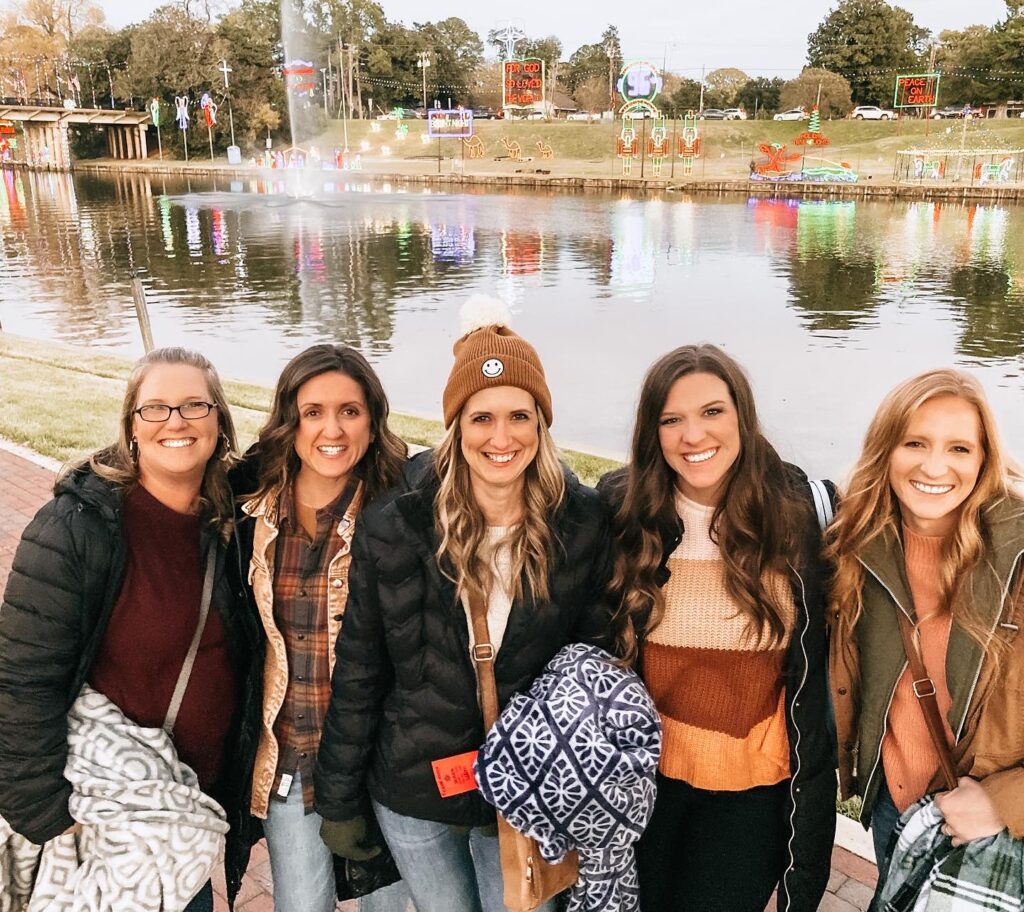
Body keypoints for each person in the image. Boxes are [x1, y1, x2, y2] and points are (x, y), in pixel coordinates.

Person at [313, 309, 614, 912]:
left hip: (526, 790)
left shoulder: (582, 524)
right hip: (415, 788)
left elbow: (592, 665)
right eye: (482, 418)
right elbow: (360, 671)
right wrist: (339, 796)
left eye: (519, 417)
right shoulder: (396, 524)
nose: (501, 439)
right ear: (456, 426)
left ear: (541, 423)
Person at [0, 347, 261, 911]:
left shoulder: (231, 524)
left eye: (196, 406)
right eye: (156, 408)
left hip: (187, 817)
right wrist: (46, 815)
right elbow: (21, 681)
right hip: (101, 819)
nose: (176, 421)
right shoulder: (77, 529)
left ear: (220, 422)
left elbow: (313, 450)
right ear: (131, 428)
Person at [598, 344, 835, 912]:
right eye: (671, 419)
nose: (693, 436)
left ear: (742, 416)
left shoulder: (800, 511)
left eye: (712, 412)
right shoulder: (621, 510)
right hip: (645, 783)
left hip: (751, 791)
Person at [827, 369, 1024, 901]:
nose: (934, 466)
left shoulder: (1019, 555)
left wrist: (1008, 802)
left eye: (959, 448)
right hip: (895, 807)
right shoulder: (856, 545)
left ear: (984, 458)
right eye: (915, 442)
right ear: (886, 448)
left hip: (994, 826)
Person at [236, 343, 410, 912]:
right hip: (292, 761)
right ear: (291, 420)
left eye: (350, 411)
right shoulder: (253, 513)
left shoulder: (404, 512)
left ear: (373, 419)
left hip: (381, 771)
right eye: (313, 412)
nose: (331, 429)